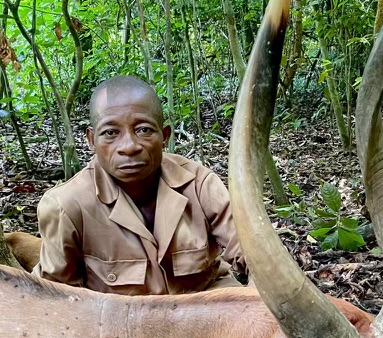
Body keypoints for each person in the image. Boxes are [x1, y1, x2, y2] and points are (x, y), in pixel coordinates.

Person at [33, 75, 246, 294]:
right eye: (110, 133)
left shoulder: (199, 183)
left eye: (143, 130)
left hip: (210, 312)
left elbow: (252, 253)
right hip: (124, 324)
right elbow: (57, 298)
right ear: (91, 139)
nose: (129, 146)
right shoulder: (66, 206)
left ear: (164, 136)